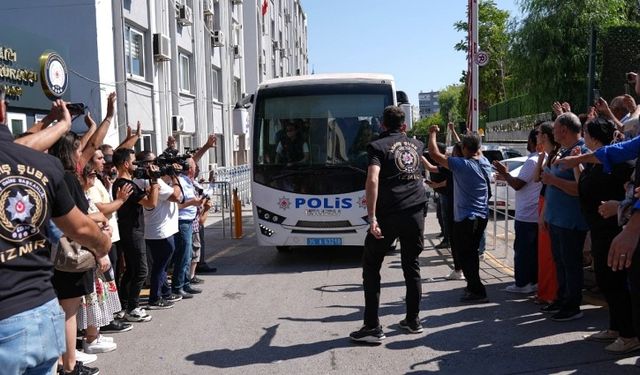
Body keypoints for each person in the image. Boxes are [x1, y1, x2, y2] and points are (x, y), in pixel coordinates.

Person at [0, 90, 110, 375]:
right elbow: (81, 227)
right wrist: (102, 244)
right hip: (40, 311)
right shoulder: (44, 167)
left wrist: (59, 124)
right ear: (3, 112)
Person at [349, 106, 428, 343]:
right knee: (411, 265)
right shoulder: (416, 145)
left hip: (389, 214)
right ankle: (413, 321)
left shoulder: (377, 147)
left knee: (371, 266)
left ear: (382, 125)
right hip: (415, 212)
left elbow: (372, 178)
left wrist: (371, 217)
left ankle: (372, 326)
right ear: (404, 126)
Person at [571, 117, 637, 353]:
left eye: (586, 133)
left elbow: (631, 197)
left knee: (615, 281)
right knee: (606, 280)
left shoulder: (622, 163)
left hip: (615, 230)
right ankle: (615, 327)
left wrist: (617, 206)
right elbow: (584, 188)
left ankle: (629, 334)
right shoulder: (595, 160)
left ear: (593, 135)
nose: (584, 137)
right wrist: (577, 163)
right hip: (598, 229)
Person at [428, 125, 493, 303]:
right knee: (469, 253)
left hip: (468, 218)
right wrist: (464, 139)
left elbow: (434, 154)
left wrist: (433, 133)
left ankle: (477, 290)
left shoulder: (462, 164)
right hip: (480, 217)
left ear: (465, 149)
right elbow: (470, 146)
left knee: (467, 255)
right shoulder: (484, 162)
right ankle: (473, 287)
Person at [540, 112, 589, 321]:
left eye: (555, 128)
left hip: (571, 221)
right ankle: (562, 299)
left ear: (563, 130)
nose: (552, 132)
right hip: (557, 219)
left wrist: (553, 180)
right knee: (560, 262)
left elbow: (581, 189)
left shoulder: (581, 152)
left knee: (570, 264)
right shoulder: (564, 151)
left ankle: (572, 305)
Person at [112, 148, 159, 322]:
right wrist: (154, 181)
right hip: (132, 231)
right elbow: (152, 203)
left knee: (131, 270)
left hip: (130, 230)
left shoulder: (123, 183)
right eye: (134, 161)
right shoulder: (126, 185)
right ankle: (132, 307)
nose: (137, 165)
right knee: (141, 270)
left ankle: (123, 306)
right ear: (125, 164)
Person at [133, 151, 183, 308]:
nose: (157, 164)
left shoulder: (141, 180)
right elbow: (176, 196)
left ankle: (164, 292)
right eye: (154, 161)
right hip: (160, 230)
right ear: (145, 164)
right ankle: (155, 298)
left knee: (161, 264)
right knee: (160, 265)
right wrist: (176, 177)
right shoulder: (151, 181)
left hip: (157, 228)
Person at [494, 129, 542, 294]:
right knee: (533, 251)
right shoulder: (542, 158)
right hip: (535, 213)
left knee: (523, 251)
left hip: (527, 214)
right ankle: (534, 281)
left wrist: (504, 172)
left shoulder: (533, 161)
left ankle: (522, 284)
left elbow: (517, 184)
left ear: (531, 141)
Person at [533, 121, 560, 305]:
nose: (536, 136)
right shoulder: (549, 155)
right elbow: (537, 178)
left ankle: (551, 294)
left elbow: (551, 187)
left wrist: (544, 214)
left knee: (549, 254)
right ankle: (545, 292)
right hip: (543, 202)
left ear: (545, 136)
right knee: (544, 253)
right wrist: (541, 156)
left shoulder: (557, 155)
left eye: (539, 133)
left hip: (548, 204)